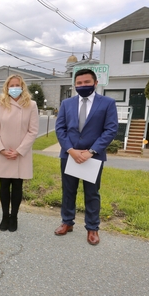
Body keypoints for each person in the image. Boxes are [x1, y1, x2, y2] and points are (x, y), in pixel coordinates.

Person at [55, 68, 118, 245]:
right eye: (79, 83)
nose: (83, 85)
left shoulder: (107, 103)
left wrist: (91, 151)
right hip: (69, 155)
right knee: (68, 191)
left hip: (93, 157)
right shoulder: (67, 103)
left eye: (87, 82)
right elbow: (60, 128)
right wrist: (71, 150)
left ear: (95, 83)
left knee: (91, 193)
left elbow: (111, 129)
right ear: (75, 85)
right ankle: (67, 222)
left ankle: (92, 228)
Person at [0, 74, 38, 232]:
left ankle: (14, 216)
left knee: (17, 186)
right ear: (7, 87)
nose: (14, 88)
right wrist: (2, 149)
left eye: (17, 85)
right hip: (3, 153)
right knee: (4, 186)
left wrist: (19, 150)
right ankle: (4, 216)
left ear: (22, 86)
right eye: (12, 85)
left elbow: (33, 131)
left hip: (20, 154)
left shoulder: (31, 105)